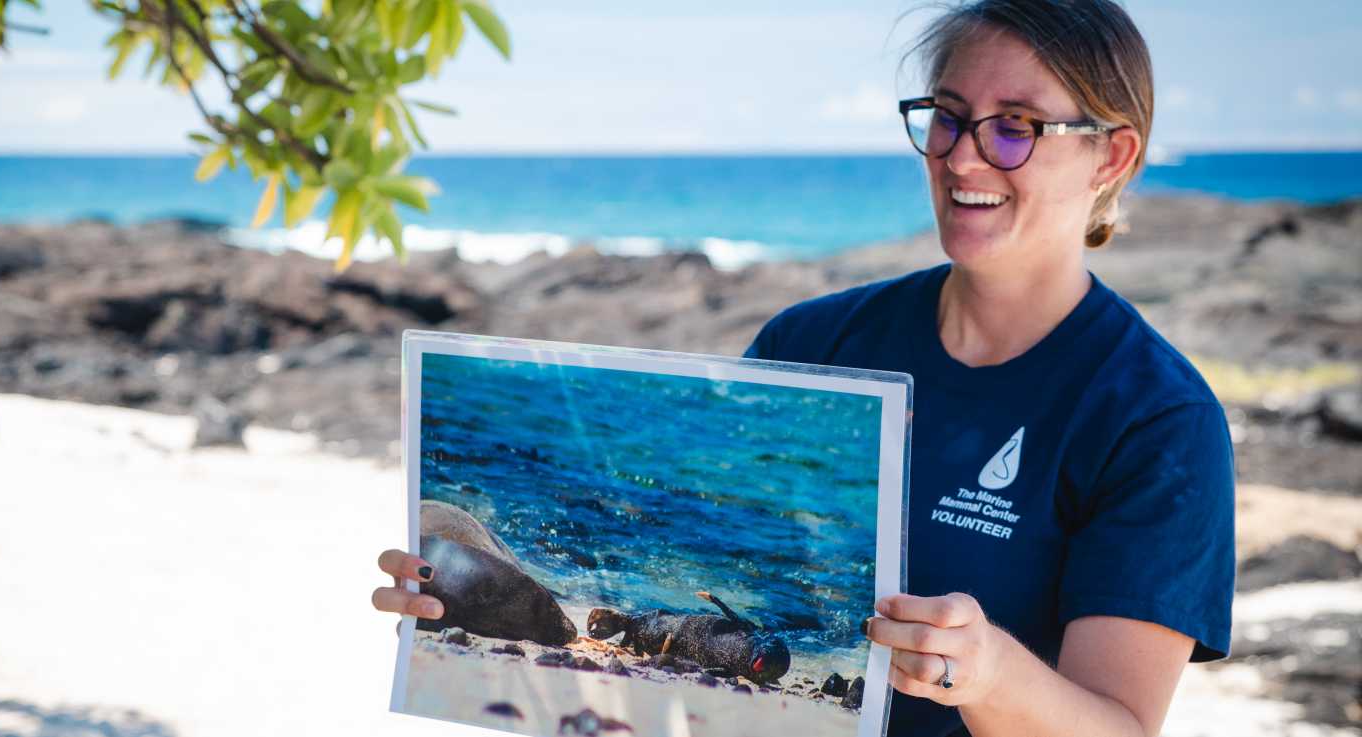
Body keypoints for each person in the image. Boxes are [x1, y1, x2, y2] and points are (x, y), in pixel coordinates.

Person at [372, 1, 1236, 735]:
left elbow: (1120, 725)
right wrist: (464, 610)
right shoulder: (811, 344)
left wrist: (988, 673)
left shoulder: (1157, 419)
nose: (964, 155)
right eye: (947, 115)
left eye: (1017, 127)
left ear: (1111, 157)